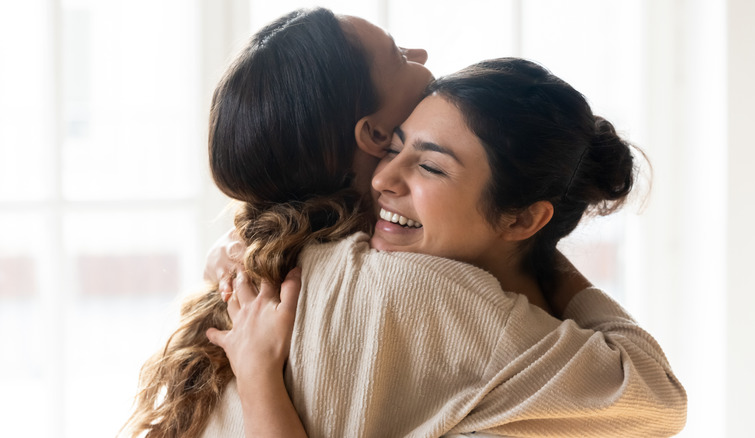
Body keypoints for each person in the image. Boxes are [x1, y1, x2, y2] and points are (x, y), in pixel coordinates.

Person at [122, 8, 686, 438]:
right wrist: (537, 246)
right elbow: (655, 395)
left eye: (431, 163)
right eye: (398, 56)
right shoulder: (416, 291)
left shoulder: (273, 259)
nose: (420, 52)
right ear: (371, 137)